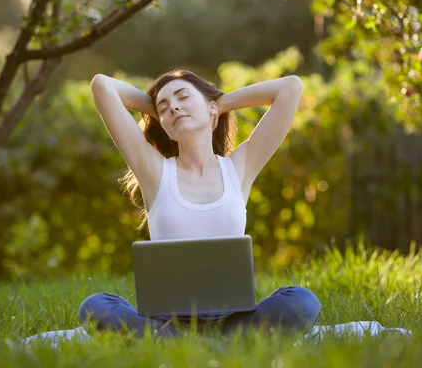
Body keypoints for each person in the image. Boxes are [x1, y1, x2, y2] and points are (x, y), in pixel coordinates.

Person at [79, 69, 321, 338]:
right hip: (166, 322)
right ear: (163, 125)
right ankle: (217, 345)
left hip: (233, 319)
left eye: (183, 96)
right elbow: (102, 86)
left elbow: (290, 88)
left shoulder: (239, 168)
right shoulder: (154, 171)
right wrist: (166, 111)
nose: (173, 106)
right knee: (96, 307)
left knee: (301, 301)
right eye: (164, 106)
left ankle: (190, 346)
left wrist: (218, 104)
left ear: (212, 110)